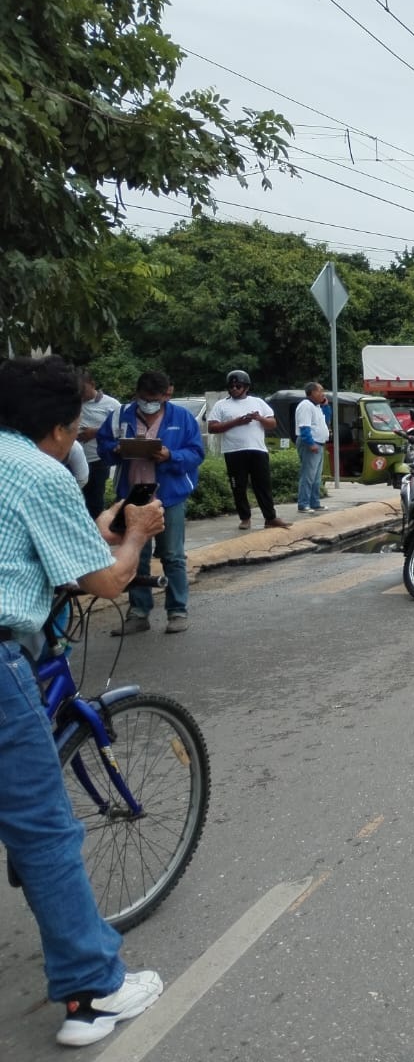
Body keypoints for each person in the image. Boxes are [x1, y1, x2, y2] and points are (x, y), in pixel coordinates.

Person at [0, 355, 166, 1047]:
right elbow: (107, 583)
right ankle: (93, 993)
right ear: (62, 429)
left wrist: (95, 529)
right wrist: (137, 533)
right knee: (43, 831)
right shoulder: (40, 471)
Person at [97, 370, 204, 635]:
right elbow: (103, 446)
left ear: (167, 394)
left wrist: (171, 456)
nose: (150, 404)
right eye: (145, 399)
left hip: (169, 497)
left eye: (155, 399)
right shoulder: (120, 416)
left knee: (173, 555)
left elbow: (196, 454)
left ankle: (177, 611)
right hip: (132, 498)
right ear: (137, 394)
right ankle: (138, 612)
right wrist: (116, 450)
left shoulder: (182, 418)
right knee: (135, 556)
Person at [207, 370, 289, 531]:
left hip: (257, 449)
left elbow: (272, 424)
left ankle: (270, 518)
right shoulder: (221, 405)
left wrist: (259, 418)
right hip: (233, 450)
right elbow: (212, 427)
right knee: (238, 486)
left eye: (238, 386)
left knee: (263, 484)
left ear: (246, 387)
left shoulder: (258, 402)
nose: (234, 389)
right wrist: (236, 422)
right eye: (231, 386)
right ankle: (245, 518)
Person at [77, 374, 121, 518]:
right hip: (72, 459)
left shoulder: (112, 404)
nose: (81, 393)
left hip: (97, 460)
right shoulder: (73, 401)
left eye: (83, 389)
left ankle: (98, 529)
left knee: (95, 502)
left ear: (92, 384)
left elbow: (120, 430)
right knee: (77, 502)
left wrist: (95, 432)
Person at [294, 381, 330, 513]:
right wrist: (310, 443)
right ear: (312, 392)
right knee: (308, 475)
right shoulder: (306, 406)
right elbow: (304, 427)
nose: (323, 394)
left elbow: (326, 421)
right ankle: (303, 504)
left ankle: (314, 502)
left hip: (319, 443)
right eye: (320, 391)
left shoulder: (317, 407)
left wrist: (325, 406)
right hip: (310, 443)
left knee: (316, 477)